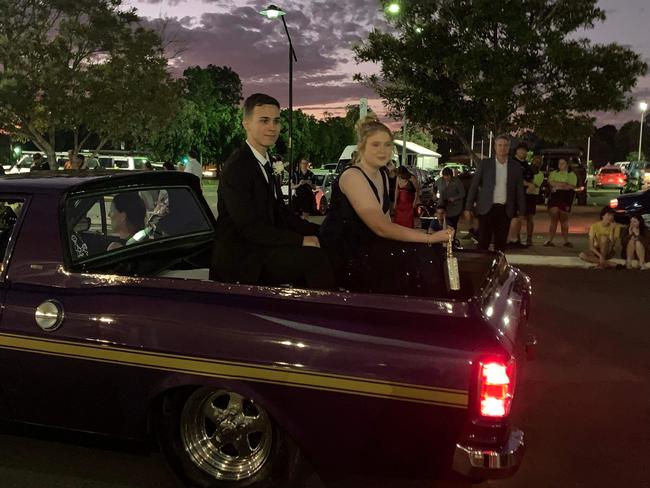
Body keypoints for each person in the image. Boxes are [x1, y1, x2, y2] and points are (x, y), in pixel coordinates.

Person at [210, 93, 335, 289]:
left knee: (328, 244)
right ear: (246, 124)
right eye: (264, 120)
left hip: (262, 247)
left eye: (276, 121)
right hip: (242, 257)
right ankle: (325, 315)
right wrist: (301, 240)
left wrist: (320, 232)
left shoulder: (268, 162)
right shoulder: (237, 167)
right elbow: (249, 227)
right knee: (314, 259)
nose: (272, 127)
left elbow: (280, 214)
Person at [319, 116, 452, 296]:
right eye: (375, 145)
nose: (383, 150)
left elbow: (386, 222)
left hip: (369, 244)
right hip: (347, 252)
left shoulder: (381, 173)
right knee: (421, 255)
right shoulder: (353, 177)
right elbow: (381, 228)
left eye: (387, 144)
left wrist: (423, 235)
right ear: (362, 146)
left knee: (428, 251)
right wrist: (428, 237)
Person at [464, 134, 526, 252]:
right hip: (486, 208)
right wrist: (468, 207)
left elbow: (520, 190)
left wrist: (522, 212)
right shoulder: (485, 164)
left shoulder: (515, 167)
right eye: (500, 145)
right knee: (483, 242)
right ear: (495, 147)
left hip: (505, 210)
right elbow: (474, 186)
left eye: (505, 145)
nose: (502, 148)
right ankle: (482, 268)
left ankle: (497, 269)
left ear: (509, 147)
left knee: (501, 243)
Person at [544, 158, 577, 247]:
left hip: (566, 198)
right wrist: (563, 184)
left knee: (564, 219)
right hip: (555, 197)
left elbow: (571, 186)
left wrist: (558, 185)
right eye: (559, 163)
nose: (560, 165)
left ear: (567, 164)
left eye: (563, 163)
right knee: (553, 217)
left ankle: (566, 241)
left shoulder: (571, 174)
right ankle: (550, 240)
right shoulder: (554, 173)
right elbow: (551, 182)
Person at [507, 143, 531, 247]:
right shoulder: (512, 163)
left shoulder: (526, 164)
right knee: (514, 217)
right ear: (516, 151)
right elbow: (515, 179)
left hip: (524, 194)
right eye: (520, 150)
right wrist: (528, 184)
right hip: (513, 194)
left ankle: (516, 239)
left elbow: (530, 176)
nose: (523, 152)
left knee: (520, 217)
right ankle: (509, 239)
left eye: (524, 150)